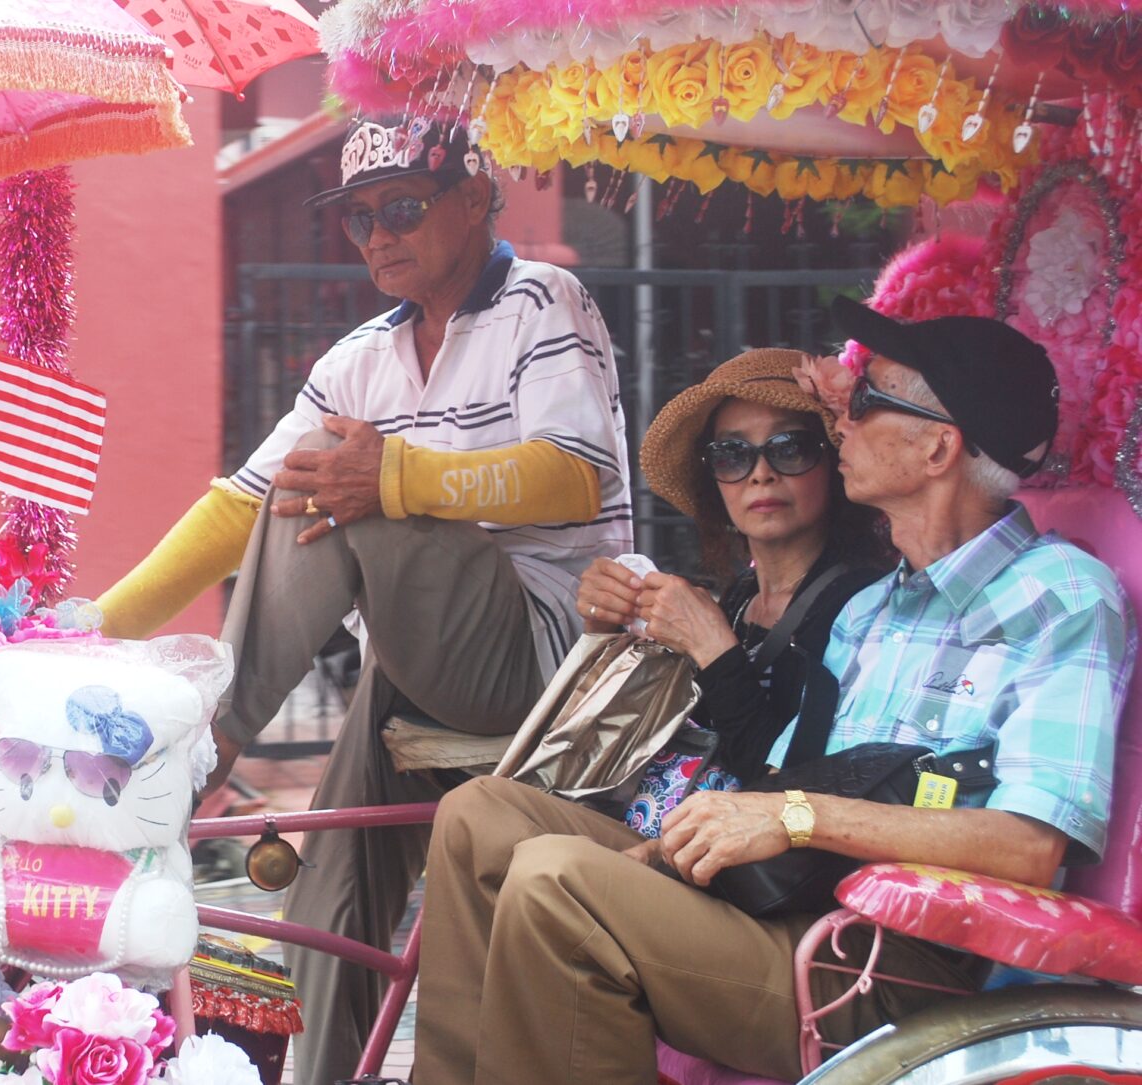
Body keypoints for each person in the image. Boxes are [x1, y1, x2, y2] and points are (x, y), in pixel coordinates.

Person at [413, 297, 1136, 1085]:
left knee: (555, 879)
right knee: (478, 815)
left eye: (862, 403)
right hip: (792, 900)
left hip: (884, 964)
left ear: (938, 448)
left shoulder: (1060, 595)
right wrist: (695, 835)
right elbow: (787, 777)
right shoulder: (879, 605)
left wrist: (791, 813)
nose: (841, 427)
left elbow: (1030, 846)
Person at [92, 118, 633, 1083]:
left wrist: (393, 479)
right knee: (322, 909)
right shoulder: (358, 359)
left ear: (476, 198)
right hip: (420, 659)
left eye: (403, 207)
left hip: (548, 652)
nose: (379, 233)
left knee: (342, 480)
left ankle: (191, 763)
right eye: (356, 217)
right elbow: (235, 510)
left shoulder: (544, 300)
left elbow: (572, 478)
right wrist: (92, 631)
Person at [576, 348, 890, 816]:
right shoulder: (742, 598)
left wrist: (713, 648)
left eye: (790, 449)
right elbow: (601, 744)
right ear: (713, 480)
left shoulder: (861, 602)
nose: (760, 474)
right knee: (481, 804)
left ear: (834, 462)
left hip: (744, 870)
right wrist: (605, 625)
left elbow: (788, 786)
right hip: (660, 833)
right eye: (732, 455)